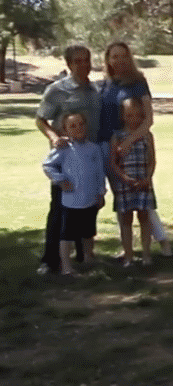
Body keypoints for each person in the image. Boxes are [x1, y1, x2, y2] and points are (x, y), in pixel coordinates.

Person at [99, 41, 173, 256]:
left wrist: (129, 141)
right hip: (108, 146)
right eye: (114, 56)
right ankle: (128, 250)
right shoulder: (104, 85)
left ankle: (163, 241)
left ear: (129, 57)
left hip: (132, 145)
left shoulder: (138, 82)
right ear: (108, 60)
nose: (119, 60)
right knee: (122, 199)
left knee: (142, 199)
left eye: (123, 55)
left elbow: (148, 119)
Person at [35, 44, 100, 274]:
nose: (83, 65)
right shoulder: (57, 90)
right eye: (77, 61)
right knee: (60, 210)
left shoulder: (95, 90)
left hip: (89, 158)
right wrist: (54, 137)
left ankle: (83, 255)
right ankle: (50, 260)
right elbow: (40, 119)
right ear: (69, 64)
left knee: (87, 209)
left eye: (86, 60)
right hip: (67, 160)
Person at [41, 113, 106, 276]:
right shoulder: (64, 148)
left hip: (90, 199)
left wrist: (101, 193)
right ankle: (66, 266)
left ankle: (88, 258)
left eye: (81, 124)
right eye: (73, 126)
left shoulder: (94, 148)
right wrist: (60, 180)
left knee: (88, 232)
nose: (78, 128)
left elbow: (99, 173)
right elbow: (48, 165)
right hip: (71, 201)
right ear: (65, 130)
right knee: (67, 235)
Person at [109, 97, 159, 266]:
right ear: (123, 116)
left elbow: (152, 160)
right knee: (126, 221)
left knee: (144, 219)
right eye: (130, 115)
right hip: (125, 184)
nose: (134, 119)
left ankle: (146, 255)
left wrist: (148, 178)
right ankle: (129, 256)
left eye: (138, 115)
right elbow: (113, 163)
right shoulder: (117, 136)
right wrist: (124, 178)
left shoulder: (147, 136)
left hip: (143, 183)